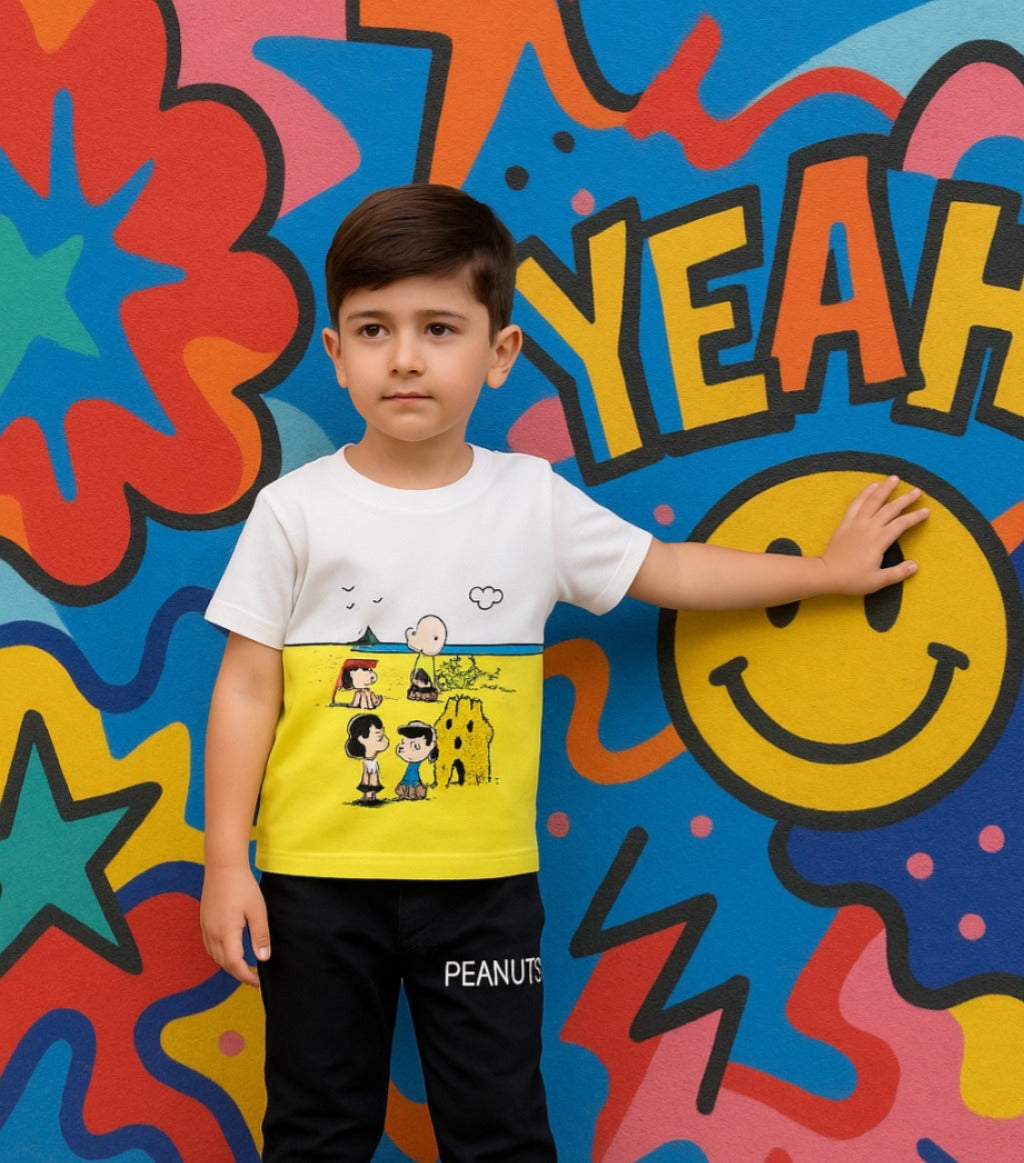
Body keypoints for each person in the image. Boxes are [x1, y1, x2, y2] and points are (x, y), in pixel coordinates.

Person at [199, 184, 928, 1161]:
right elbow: (248, 685)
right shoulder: (294, 512)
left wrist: (827, 572)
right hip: (314, 890)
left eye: (439, 327)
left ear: (498, 353)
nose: (405, 356)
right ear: (335, 352)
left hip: (483, 891)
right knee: (315, 1129)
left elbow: (669, 571)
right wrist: (225, 858)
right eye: (373, 328)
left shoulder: (531, 502)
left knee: (499, 1130)